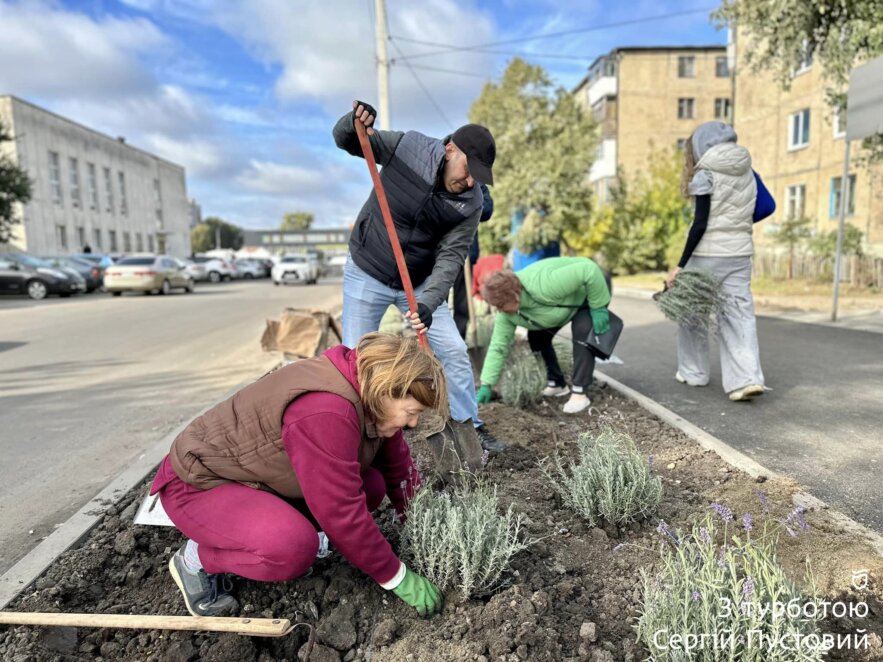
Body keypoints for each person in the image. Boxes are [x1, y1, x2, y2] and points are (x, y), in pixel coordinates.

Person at [150, 333, 447, 618]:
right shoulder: (327, 411)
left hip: (255, 477)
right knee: (290, 549)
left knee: (372, 485)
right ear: (386, 390)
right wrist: (396, 577)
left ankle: (295, 533)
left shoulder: (372, 394)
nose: (414, 422)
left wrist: (429, 529)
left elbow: (399, 472)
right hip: (199, 484)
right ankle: (195, 560)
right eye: (411, 411)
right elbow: (340, 511)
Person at [333, 100, 504, 453]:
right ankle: (356, 433)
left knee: (455, 351)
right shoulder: (408, 147)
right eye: (467, 169)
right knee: (354, 356)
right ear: (450, 148)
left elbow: (451, 257)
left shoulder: (470, 202)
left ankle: (469, 426)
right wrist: (352, 125)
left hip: (421, 281)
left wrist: (427, 303)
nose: (470, 181)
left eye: (478, 177)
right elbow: (351, 142)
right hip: (369, 268)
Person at [666, 121, 765, 402]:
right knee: (739, 315)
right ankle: (746, 380)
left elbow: (699, 224)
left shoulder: (705, 174)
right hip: (740, 253)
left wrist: (680, 265)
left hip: (707, 255)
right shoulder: (747, 170)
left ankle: (694, 372)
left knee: (692, 314)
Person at [476, 257, 611, 415]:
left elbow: (589, 270)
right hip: (557, 312)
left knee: (582, 330)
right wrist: (487, 383)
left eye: (501, 305)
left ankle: (580, 393)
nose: (498, 310)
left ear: (515, 295)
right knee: (537, 339)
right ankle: (557, 383)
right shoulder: (506, 314)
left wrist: (598, 307)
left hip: (588, 293)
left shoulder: (543, 284)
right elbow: (498, 347)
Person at [452, 182, 494, 340]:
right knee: (436, 299)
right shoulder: (440, 177)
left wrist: (469, 204)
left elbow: (488, 210)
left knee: (463, 303)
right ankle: (436, 346)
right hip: (439, 253)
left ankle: (459, 340)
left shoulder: (477, 184)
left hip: (467, 252)